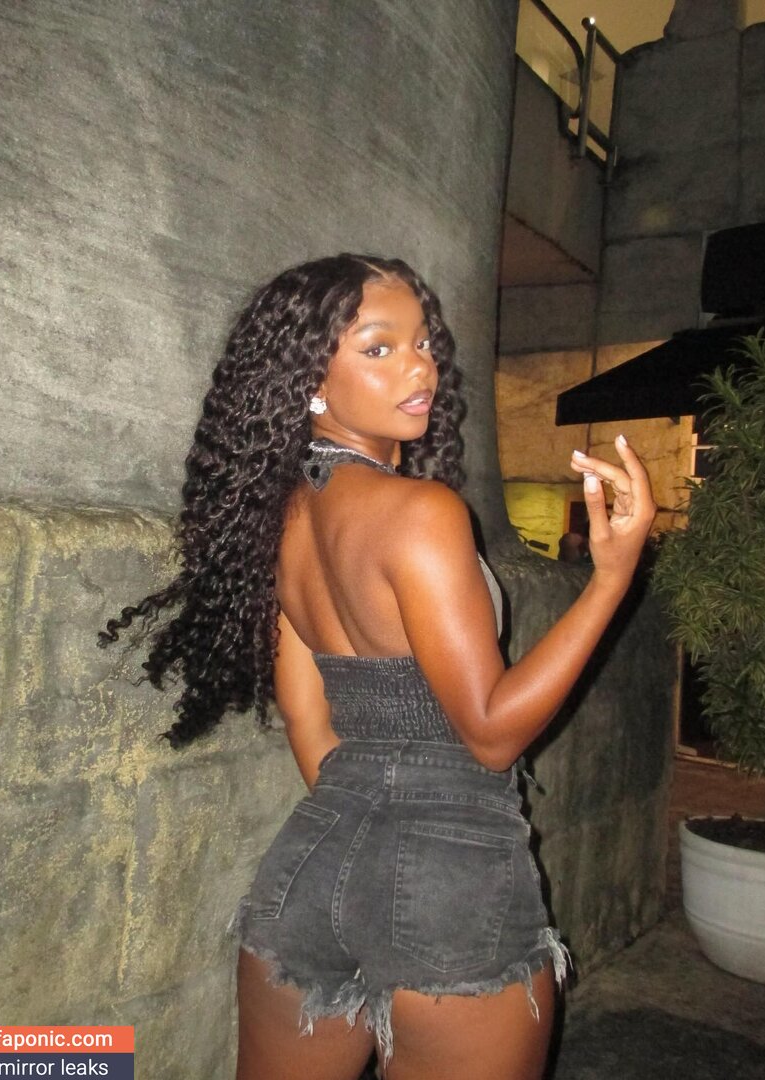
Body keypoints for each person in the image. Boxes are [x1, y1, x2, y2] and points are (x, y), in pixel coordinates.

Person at [100, 254, 655, 1080]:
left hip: (313, 861)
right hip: (451, 879)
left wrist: (365, 832)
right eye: (378, 348)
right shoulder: (420, 512)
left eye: (423, 343)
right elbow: (491, 734)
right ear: (309, 381)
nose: (419, 367)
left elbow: (307, 720)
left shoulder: (279, 520)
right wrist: (610, 579)